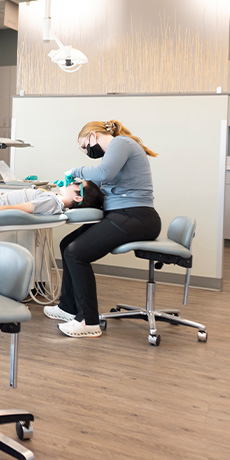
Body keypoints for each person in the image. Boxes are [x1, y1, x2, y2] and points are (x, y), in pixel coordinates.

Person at [44, 120, 161, 339]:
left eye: (84, 146)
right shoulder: (115, 152)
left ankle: (88, 321)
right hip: (123, 215)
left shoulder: (121, 143)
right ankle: (68, 307)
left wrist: (76, 170)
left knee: (76, 252)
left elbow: (104, 173)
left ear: (93, 136)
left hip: (136, 217)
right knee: (67, 244)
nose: (86, 151)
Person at [0, 179, 103, 219]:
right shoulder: (54, 199)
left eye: (77, 183)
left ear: (77, 197)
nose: (71, 183)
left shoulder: (52, 202)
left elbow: (14, 209)